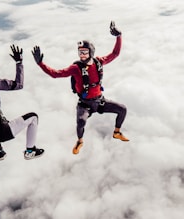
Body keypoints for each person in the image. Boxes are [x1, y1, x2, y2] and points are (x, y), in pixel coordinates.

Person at [32, 21, 129, 155]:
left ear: (91, 52)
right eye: (80, 52)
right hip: (85, 104)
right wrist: (40, 63)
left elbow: (115, 53)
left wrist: (119, 36)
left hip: (100, 101)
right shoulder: (76, 68)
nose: (81, 55)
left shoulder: (99, 62)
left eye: (84, 52)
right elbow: (56, 74)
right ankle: (80, 141)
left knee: (122, 109)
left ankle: (117, 132)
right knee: (81, 122)